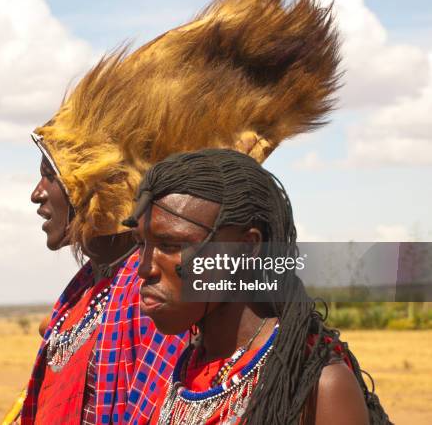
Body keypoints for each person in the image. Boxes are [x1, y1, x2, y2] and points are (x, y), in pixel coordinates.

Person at [3, 0, 341, 423]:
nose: (37, 193)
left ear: (97, 183)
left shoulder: (149, 299)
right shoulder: (92, 289)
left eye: (51, 173)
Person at [126, 148, 391, 424]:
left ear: (247, 246)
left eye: (171, 245)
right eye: (140, 244)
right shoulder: (186, 369)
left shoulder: (315, 387)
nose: (145, 267)